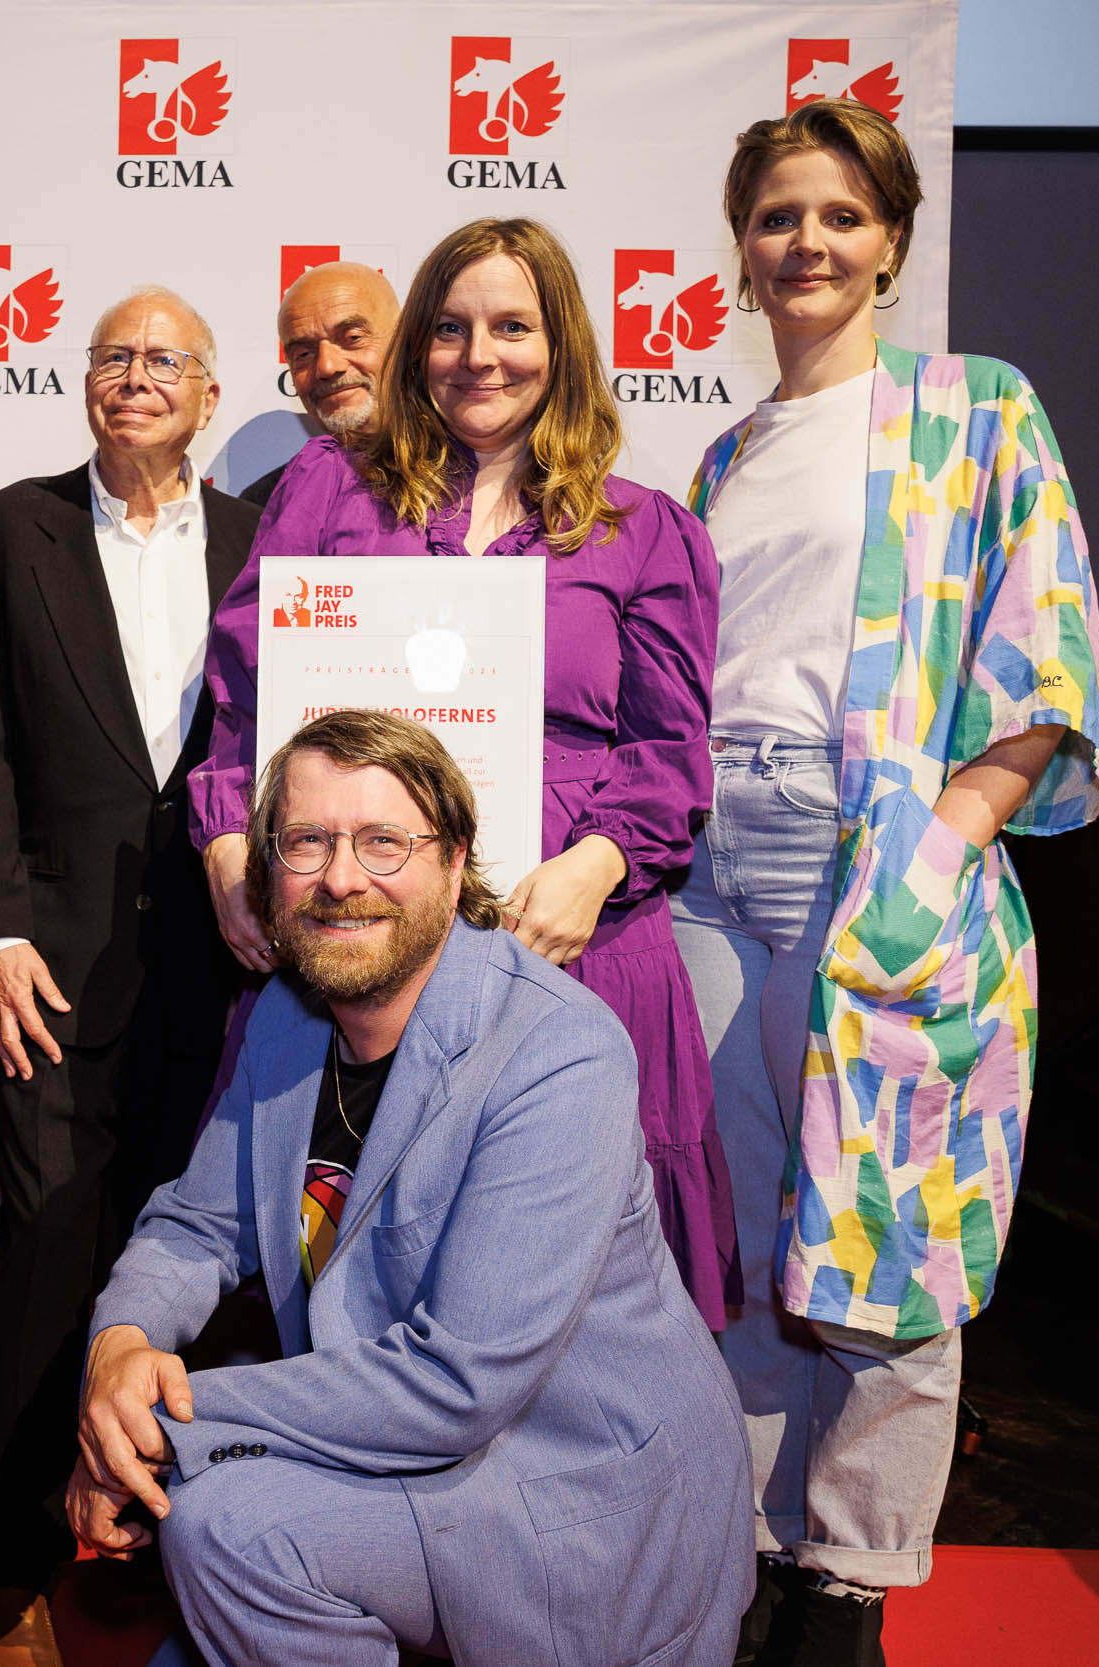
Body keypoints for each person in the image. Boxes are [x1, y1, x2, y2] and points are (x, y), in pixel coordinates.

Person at [669, 99, 1099, 1667]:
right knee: (744, 1226)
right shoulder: (722, 454)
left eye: (842, 216)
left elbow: (1043, 645)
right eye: (781, 216)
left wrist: (943, 847)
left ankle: (847, 1580)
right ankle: (755, 1549)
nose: (809, 242)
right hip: (713, 863)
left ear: (896, 245)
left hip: (879, 861)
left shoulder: (977, 409)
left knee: (889, 1226)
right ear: (742, 250)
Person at [72, 709, 751, 1667]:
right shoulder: (286, 1015)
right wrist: (120, 1349)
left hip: (575, 1508)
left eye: (384, 840)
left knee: (225, 1522)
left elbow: (455, 1382)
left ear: (454, 856)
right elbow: (193, 1224)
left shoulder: (559, 1051)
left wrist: (153, 1429)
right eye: (307, 841)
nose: (342, 877)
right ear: (267, 869)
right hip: (415, 1467)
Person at [191, 217, 741, 1330]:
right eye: (448, 328)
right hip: (353, 941)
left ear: (562, 345)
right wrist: (224, 840)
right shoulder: (328, 491)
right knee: (341, 1278)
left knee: (566, 1303)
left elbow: (670, 752)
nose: (477, 355)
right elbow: (243, 698)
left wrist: (597, 865)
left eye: (510, 326)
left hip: (570, 947)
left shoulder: (647, 530)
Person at [0, 287, 258, 1665]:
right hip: (47, 967)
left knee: (186, 1267)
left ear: (210, 393)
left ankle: (140, 1532)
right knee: (46, 1248)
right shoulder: (10, 529)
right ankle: (6, 1557)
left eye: (163, 361)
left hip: (225, 968)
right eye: (112, 357)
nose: (134, 378)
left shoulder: (264, 543)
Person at [237, 261, 400, 507]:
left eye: (352, 338)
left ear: (404, 339)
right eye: (303, 354)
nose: (326, 366)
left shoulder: (469, 472)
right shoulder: (270, 504)